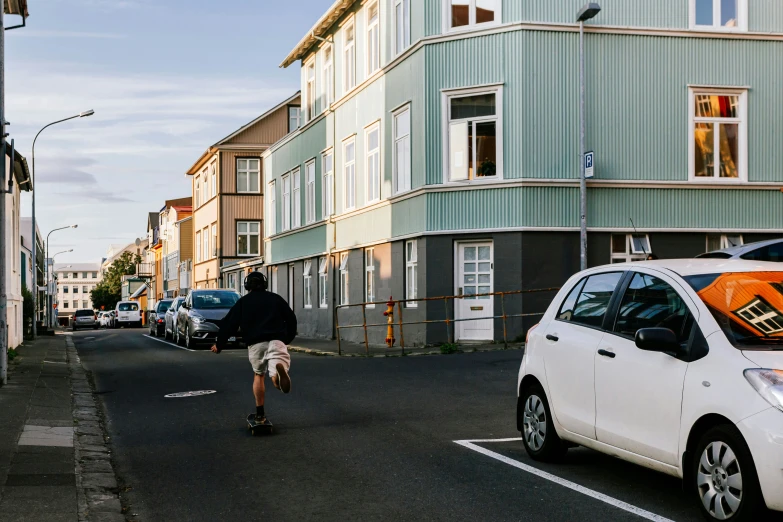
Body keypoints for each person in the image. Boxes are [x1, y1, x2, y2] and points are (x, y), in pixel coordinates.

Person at [211, 271, 297, 425]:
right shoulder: (276, 299)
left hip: (256, 343)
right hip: (277, 340)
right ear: (264, 284)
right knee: (274, 373)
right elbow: (291, 319)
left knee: (259, 375)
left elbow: (229, 324)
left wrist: (219, 344)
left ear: (247, 285)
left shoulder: (243, 302)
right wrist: (286, 339)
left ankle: (260, 414)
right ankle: (278, 377)